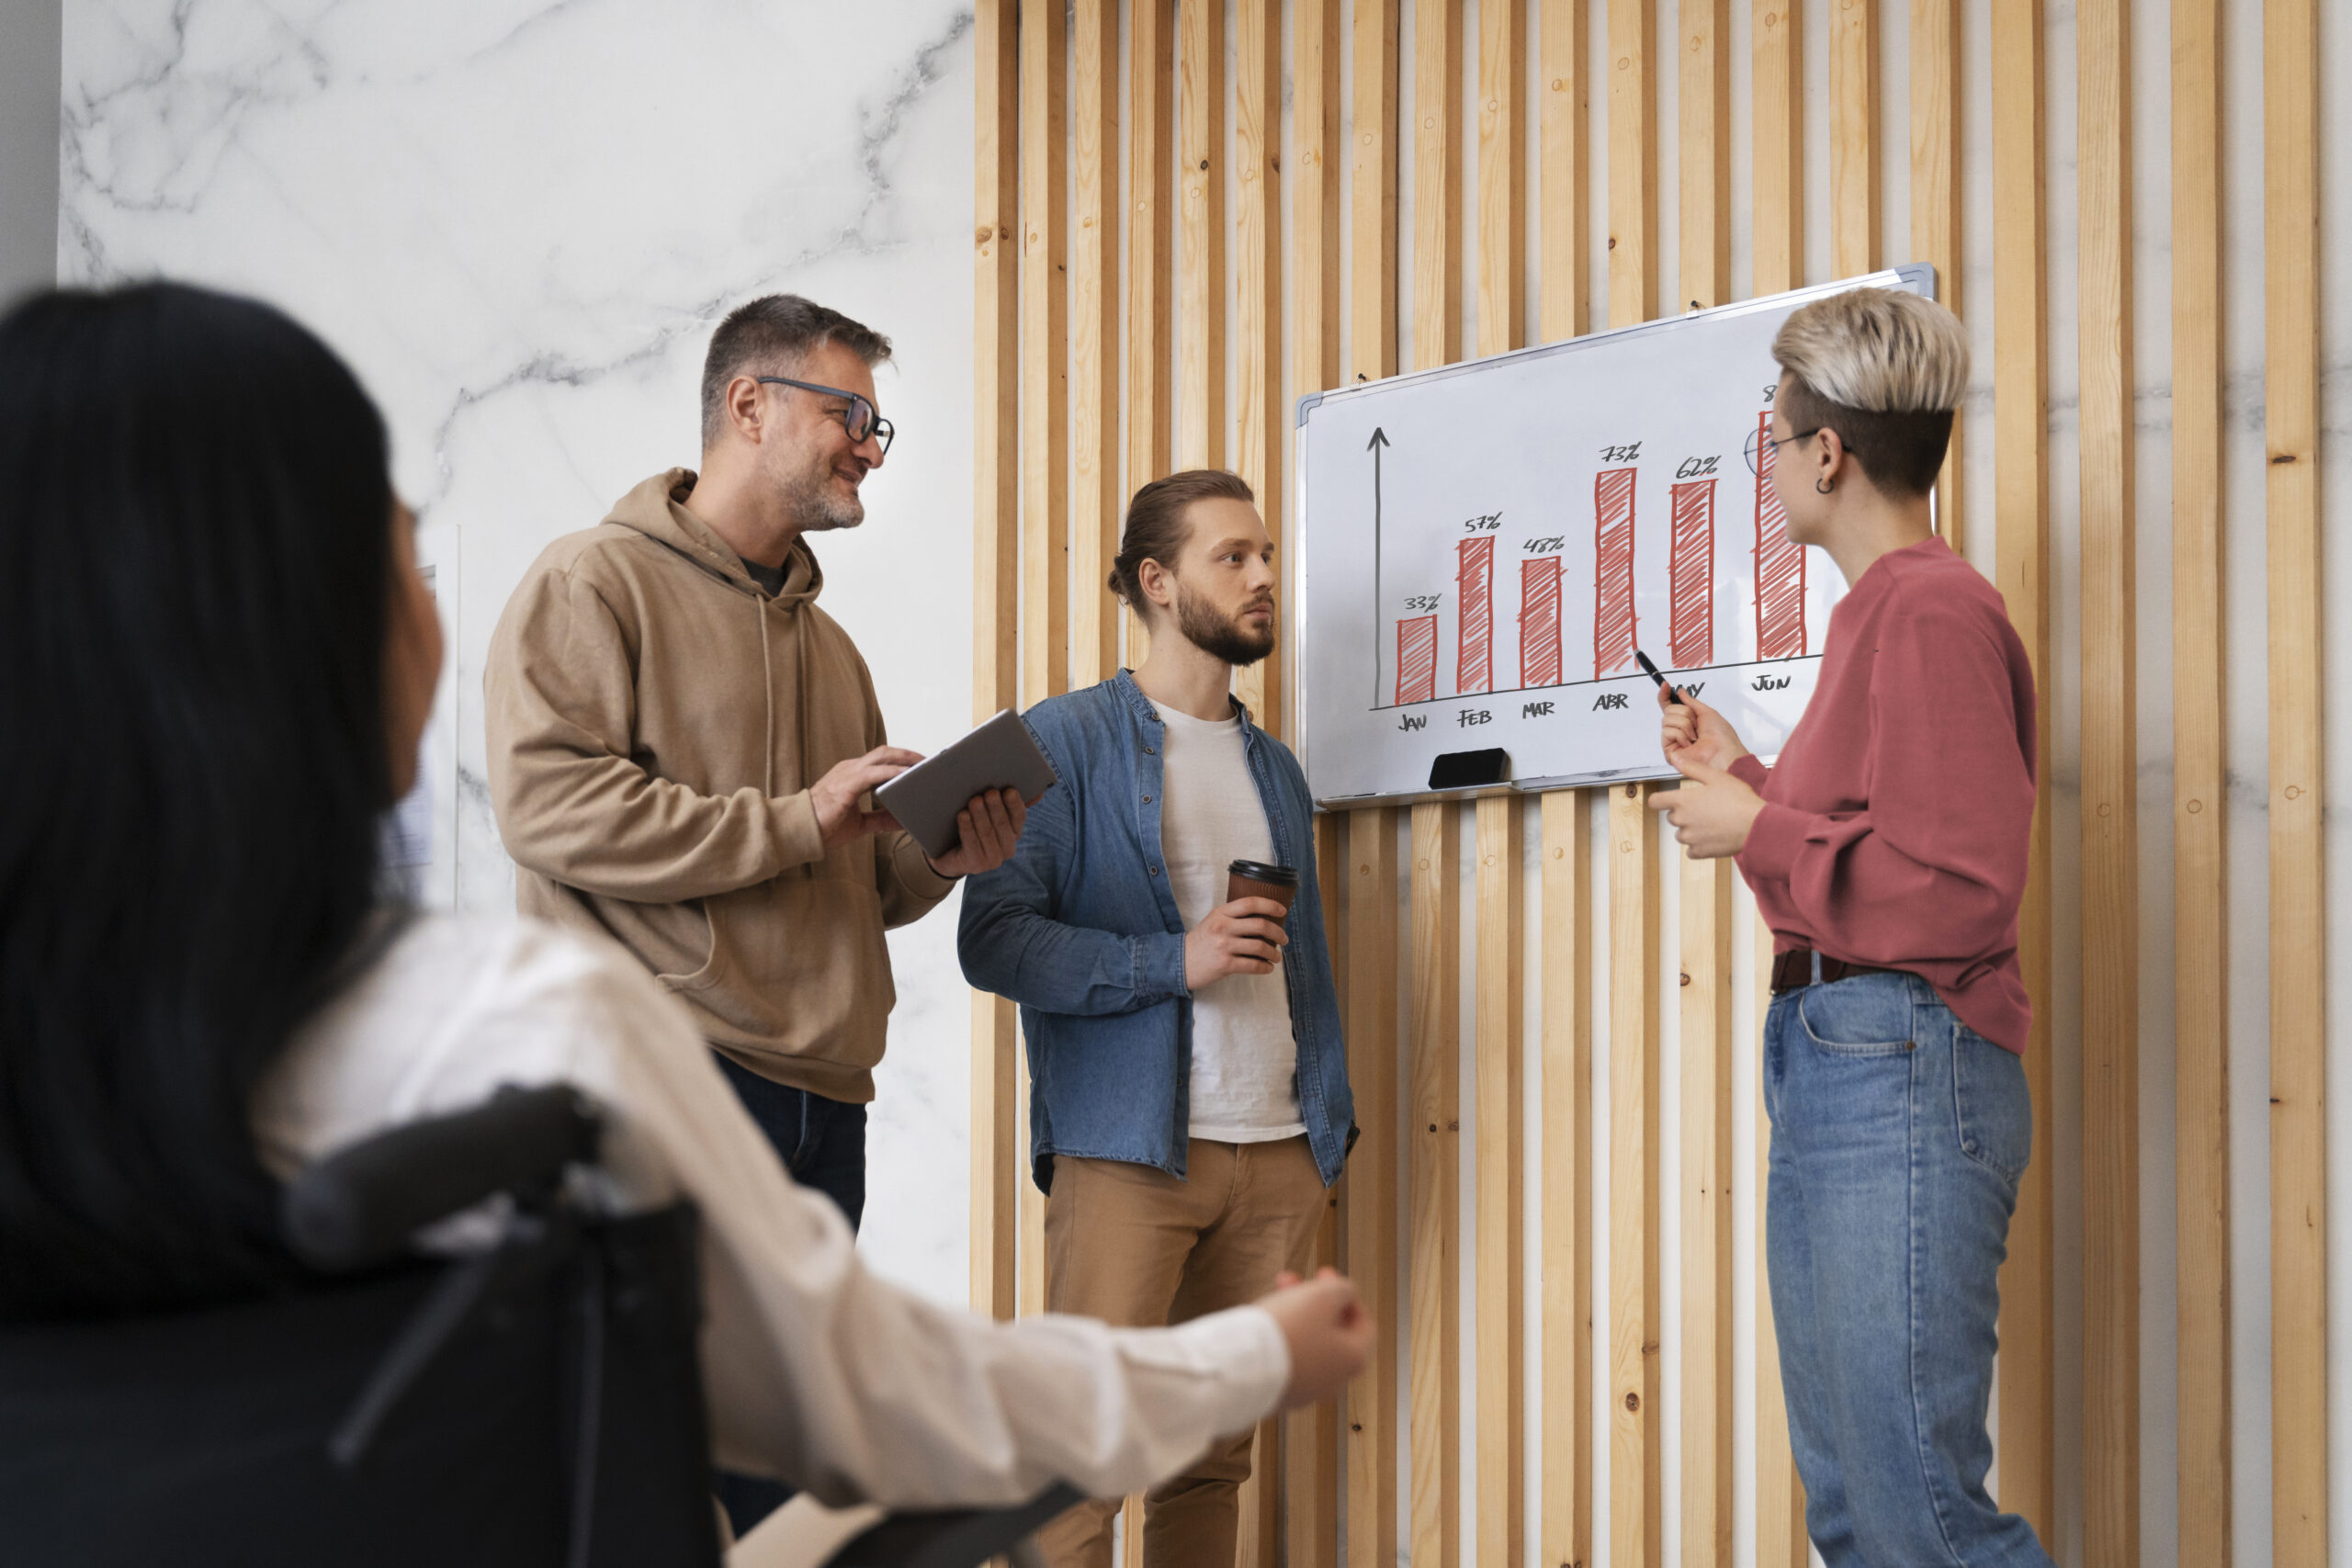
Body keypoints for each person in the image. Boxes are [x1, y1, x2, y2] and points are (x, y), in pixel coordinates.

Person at [0, 280, 1377, 1522]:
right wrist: (1252, 1352)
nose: (869, 448)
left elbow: (854, 872)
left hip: (817, 1088)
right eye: (854, 416)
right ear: (748, 402)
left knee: (744, 1480)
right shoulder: (583, 630)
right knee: (730, 1475)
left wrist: (931, 855)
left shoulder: (835, 649)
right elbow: (553, 810)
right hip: (688, 1071)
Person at [1648, 288, 2052, 1568]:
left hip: (1901, 1065)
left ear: (1827, 451)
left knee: (1916, 1515)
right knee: (1862, 1518)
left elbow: (1960, 890)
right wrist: (1754, 783)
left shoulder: (1926, 608)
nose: (1770, 468)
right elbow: (1892, 854)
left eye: (1775, 440)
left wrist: (1755, 830)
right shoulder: (1881, 614)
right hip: (1851, 1062)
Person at [958, 470, 1352, 1568]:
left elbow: (1297, 962)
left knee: (1207, 1465)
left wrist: (1323, 1136)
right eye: (1234, 557)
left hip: (1276, 1153)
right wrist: (1172, 959)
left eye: (1266, 554)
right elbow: (993, 940)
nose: (1264, 575)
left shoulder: (1276, 769)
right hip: (1129, 1156)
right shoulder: (1062, 743)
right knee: (1079, 1467)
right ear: (1156, 581)